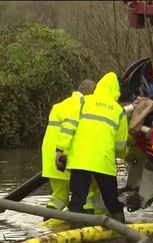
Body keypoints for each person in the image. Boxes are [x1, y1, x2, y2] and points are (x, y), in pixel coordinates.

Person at [56, 72, 128, 224]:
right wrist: (125, 155)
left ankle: (75, 232)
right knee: (111, 200)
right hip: (104, 162)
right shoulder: (118, 110)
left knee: (77, 201)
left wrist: (60, 149)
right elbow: (120, 145)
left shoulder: (83, 102)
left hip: (80, 161)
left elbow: (68, 126)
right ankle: (122, 231)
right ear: (116, 91)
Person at [41, 79, 101, 221]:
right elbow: (70, 129)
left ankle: (46, 227)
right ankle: (86, 229)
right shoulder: (82, 105)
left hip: (50, 156)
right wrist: (62, 151)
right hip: (65, 156)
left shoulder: (61, 105)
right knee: (86, 194)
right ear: (91, 93)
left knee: (59, 197)